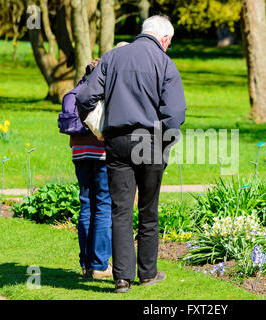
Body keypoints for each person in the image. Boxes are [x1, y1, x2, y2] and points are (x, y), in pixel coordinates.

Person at [76, 15, 187, 293]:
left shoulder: (113, 57)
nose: (168, 47)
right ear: (164, 38)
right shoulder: (165, 63)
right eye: (169, 42)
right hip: (151, 141)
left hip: (117, 141)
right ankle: (148, 273)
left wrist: (96, 125)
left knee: (120, 210)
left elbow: (84, 96)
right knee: (148, 210)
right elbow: (175, 113)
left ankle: (122, 278)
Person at [64, 58, 113, 280]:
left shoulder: (75, 91)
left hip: (78, 152)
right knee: (103, 204)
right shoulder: (101, 91)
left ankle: (85, 263)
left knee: (86, 204)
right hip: (100, 152)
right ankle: (100, 264)